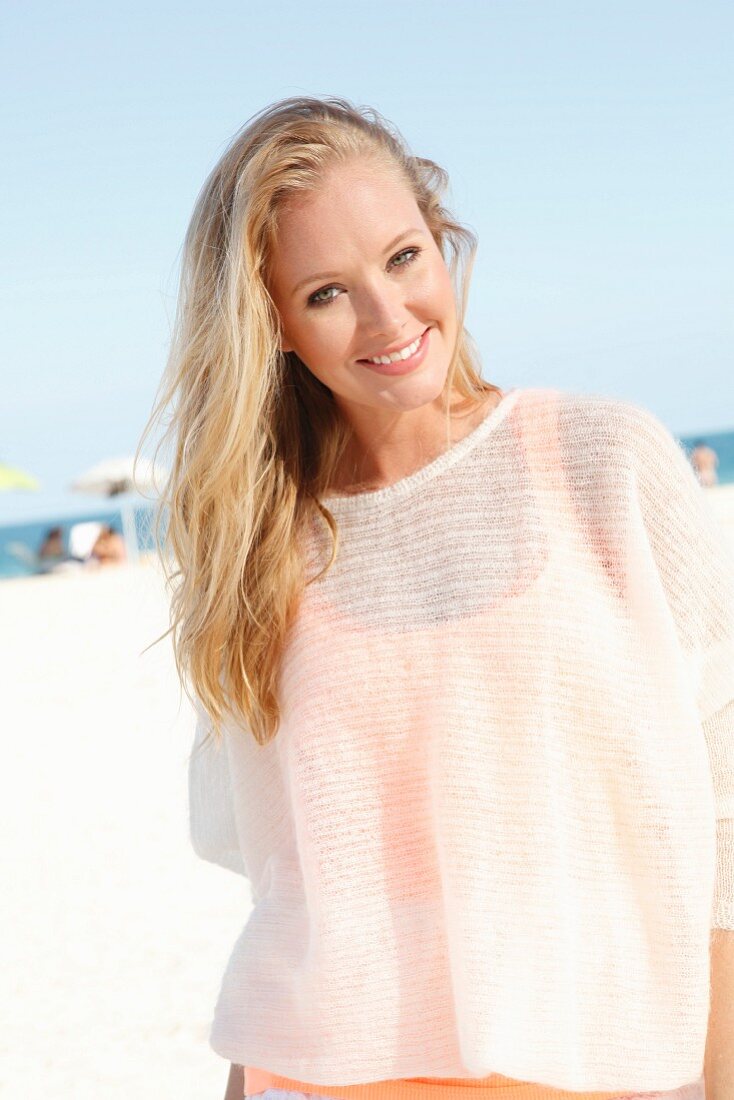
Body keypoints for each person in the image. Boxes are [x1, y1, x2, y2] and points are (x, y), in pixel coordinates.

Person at [139, 97, 734, 1100]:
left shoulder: (601, 458)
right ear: (271, 322)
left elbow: (721, 801)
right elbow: (279, 882)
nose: (387, 317)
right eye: (326, 291)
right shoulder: (257, 547)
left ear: (441, 240)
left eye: (404, 257)